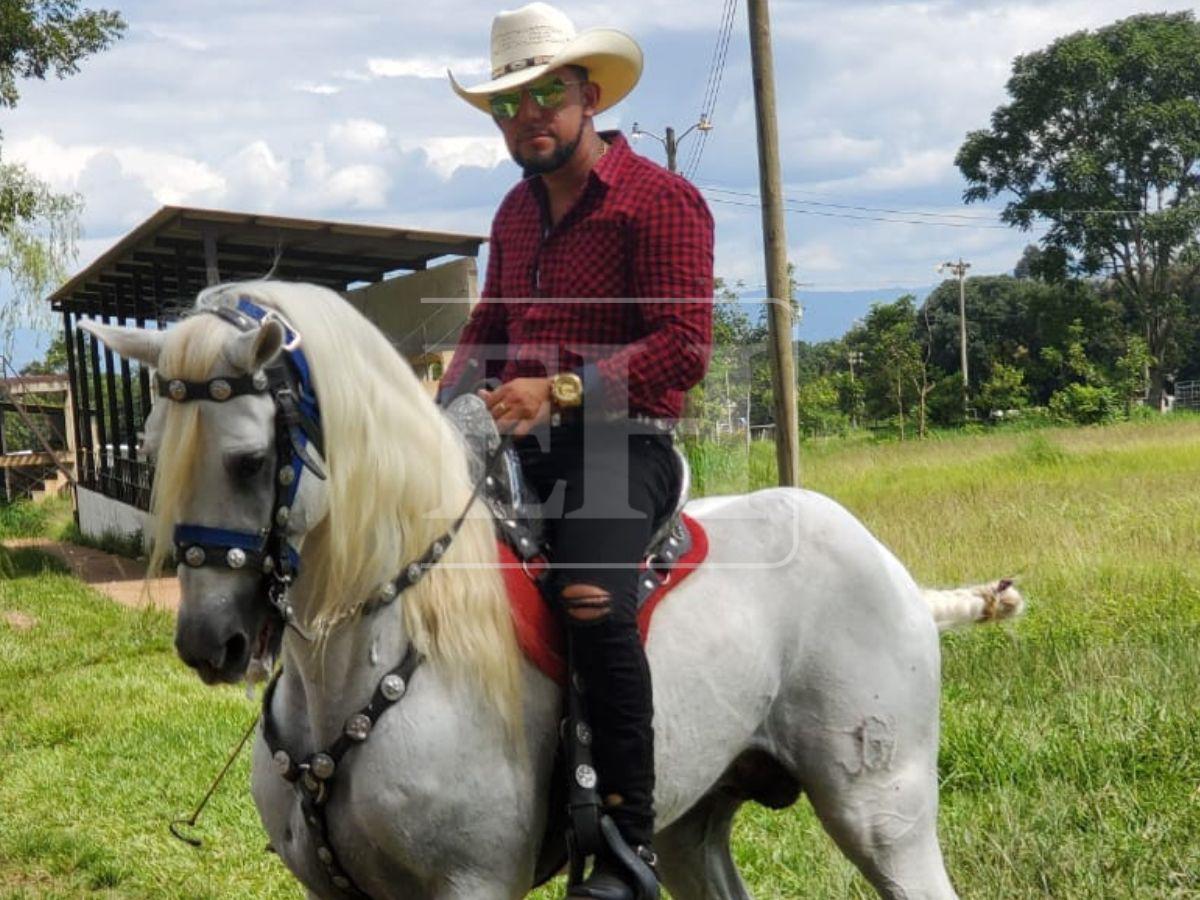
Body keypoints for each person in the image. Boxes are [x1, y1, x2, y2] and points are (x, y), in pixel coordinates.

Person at [441, 4, 713, 897]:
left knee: (591, 600)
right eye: (507, 105)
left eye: (544, 96)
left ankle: (627, 846)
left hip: (619, 442)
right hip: (513, 446)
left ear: (587, 95)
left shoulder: (660, 201)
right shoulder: (515, 214)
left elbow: (682, 346)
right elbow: (486, 329)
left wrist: (556, 391)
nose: (527, 118)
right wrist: (436, 414)